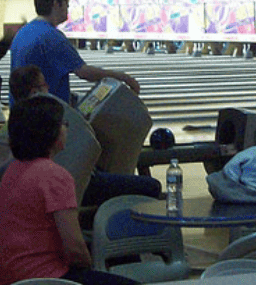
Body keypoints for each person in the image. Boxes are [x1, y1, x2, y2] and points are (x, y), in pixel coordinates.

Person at [0, 94, 136, 285]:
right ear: (51, 133)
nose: (66, 128)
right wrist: (93, 267)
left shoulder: (14, 169)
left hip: (3, 281)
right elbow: (75, 249)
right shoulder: (55, 176)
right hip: (40, 282)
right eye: (63, 124)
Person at [9, 65, 162, 205]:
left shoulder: (18, 118)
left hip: (70, 179)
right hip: (83, 183)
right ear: (35, 92)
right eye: (44, 85)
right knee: (152, 186)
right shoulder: (44, 119)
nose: (48, 87)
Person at [9, 0, 140, 105]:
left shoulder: (23, 32)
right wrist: (123, 77)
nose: (68, 6)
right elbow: (84, 72)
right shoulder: (51, 37)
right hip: (43, 116)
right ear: (56, 4)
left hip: (21, 113)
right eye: (66, 2)